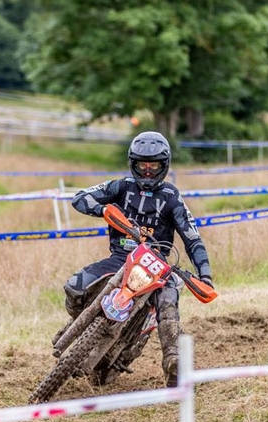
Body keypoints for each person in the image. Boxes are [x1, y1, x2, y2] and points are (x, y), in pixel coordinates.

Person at [62, 130, 213, 387]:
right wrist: (102, 210)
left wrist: (206, 275)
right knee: (74, 287)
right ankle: (82, 327)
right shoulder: (120, 186)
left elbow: (192, 238)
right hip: (121, 257)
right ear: (133, 163)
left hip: (158, 265)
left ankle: (173, 361)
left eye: (152, 165)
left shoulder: (172, 197)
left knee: (168, 302)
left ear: (162, 166)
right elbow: (79, 197)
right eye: (141, 164)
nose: (146, 171)